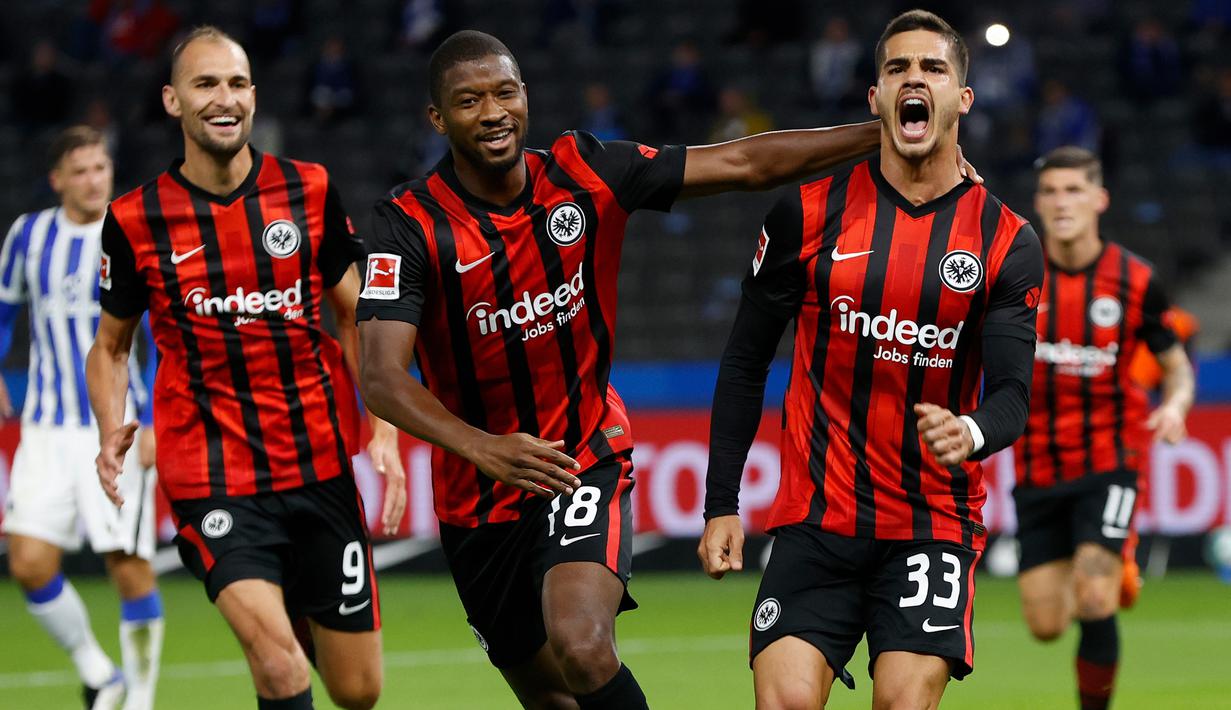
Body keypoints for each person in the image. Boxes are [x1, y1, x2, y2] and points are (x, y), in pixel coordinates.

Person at [355, 28, 983, 710]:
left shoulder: (582, 173)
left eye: (505, 92)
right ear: (438, 118)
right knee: (555, 697)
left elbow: (743, 163)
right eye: (469, 101)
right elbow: (382, 376)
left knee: (584, 645)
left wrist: (881, 134)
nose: (493, 111)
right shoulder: (408, 226)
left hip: (581, 456)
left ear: (525, 97)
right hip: (477, 497)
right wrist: (484, 449)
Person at [698, 10, 1044, 709]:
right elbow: (744, 361)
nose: (912, 78)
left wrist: (969, 431)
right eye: (896, 68)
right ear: (875, 99)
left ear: (961, 99)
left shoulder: (1005, 242)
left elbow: (1011, 395)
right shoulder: (804, 214)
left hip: (930, 524)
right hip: (815, 521)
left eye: (932, 68)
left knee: (900, 705)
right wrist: (720, 502)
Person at [84, 26, 406, 710]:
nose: (223, 98)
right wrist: (111, 426)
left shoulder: (309, 191)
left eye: (235, 83)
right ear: (173, 101)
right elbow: (110, 346)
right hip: (210, 476)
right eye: (205, 84)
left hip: (318, 466)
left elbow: (354, 318)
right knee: (281, 668)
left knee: (358, 691)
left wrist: (382, 428)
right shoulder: (135, 218)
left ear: (253, 96)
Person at [1012, 146, 1194, 710]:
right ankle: (1110, 564)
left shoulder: (1134, 280)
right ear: (1038, 203)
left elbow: (1175, 367)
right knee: (1045, 624)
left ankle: (1114, 562)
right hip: (1037, 468)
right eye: (1051, 191)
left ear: (1099, 199)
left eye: (1074, 190)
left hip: (1109, 462)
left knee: (1094, 600)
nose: (1062, 202)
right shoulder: (1017, 275)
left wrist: (1177, 406)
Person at [1, 125, 162, 710]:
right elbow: (3, 310)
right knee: (28, 562)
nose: (95, 179)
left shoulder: (133, 232)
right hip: (44, 429)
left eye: (101, 167)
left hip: (118, 428)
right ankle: (101, 673)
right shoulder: (28, 235)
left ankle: (138, 702)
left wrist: (159, 420)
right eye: (82, 170)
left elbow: (161, 338)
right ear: (58, 180)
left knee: (127, 567)